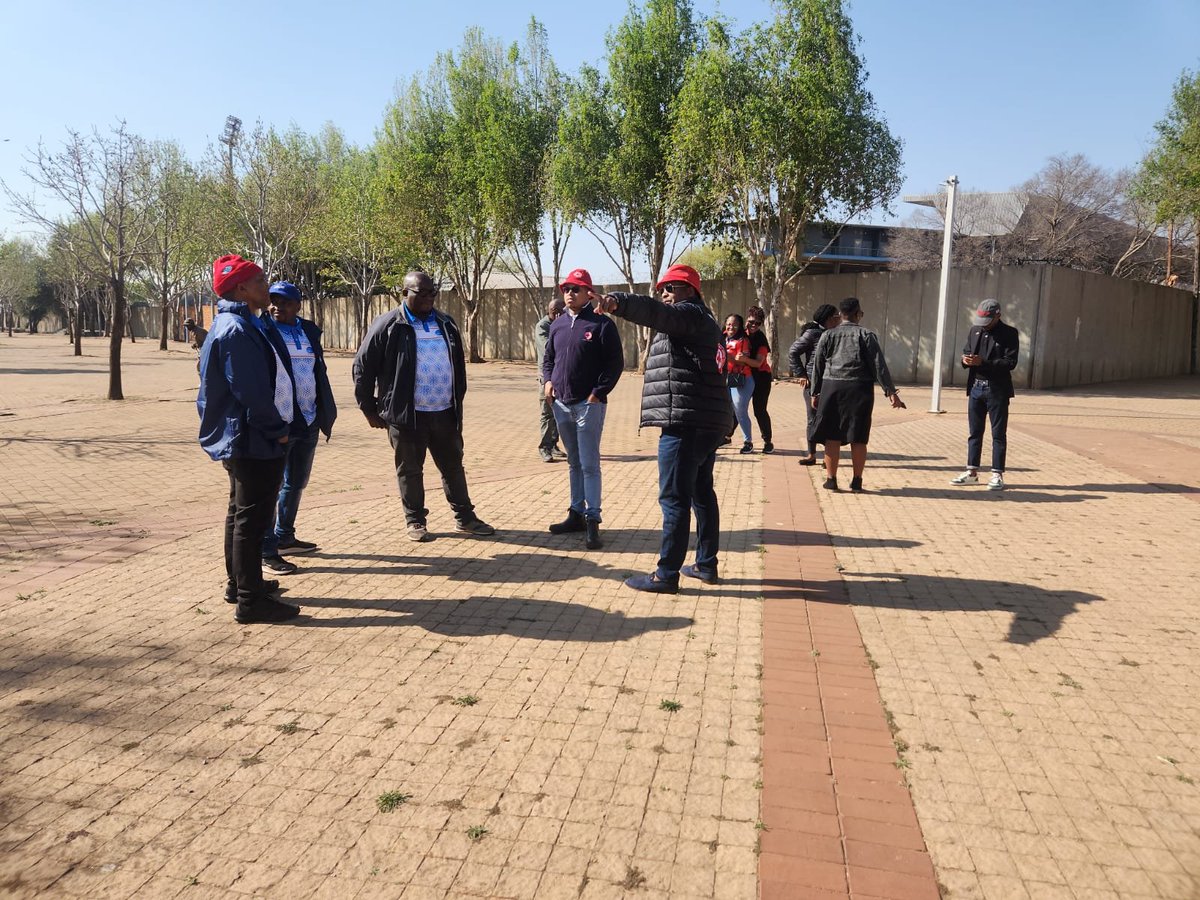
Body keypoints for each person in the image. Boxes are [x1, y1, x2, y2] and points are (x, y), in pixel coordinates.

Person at [593, 264, 734, 592]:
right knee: (701, 493)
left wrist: (618, 302)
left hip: (686, 422)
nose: (665, 294)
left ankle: (666, 574)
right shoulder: (705, 321)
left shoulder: (688, 315)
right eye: (662, 288)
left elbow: (656, 312)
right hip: (705, 420)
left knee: (674, 498)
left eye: (672, 287)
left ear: (691, 291)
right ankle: (705, 564)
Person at [352, 270, 495, 542]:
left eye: (433, 292)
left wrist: (456, 401)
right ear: (404, 293)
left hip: (444, 413)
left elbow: (458, 369)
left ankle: (465, 518)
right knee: (410, 470)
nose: (430, 297)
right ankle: (415, 521)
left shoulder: (445, 323)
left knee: (453, 467)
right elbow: (363, 367)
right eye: (423, 292)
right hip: (407, 416)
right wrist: (368, 408)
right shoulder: (387, 325)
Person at [197, 254, 301, 624]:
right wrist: (280, 431)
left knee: (240, 514)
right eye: (259, 281)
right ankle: (250, 600)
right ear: (241, 288)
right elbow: (251, 393)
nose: (266, 287)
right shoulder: (236, 330)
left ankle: (240, 583)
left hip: (244, 436)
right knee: (252, 521)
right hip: (253, 439)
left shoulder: (239, 323)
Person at [543, 268, 624, 549]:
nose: (568, 293)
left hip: (588, 405)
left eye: (575, 289)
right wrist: (548, 381)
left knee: (589, 465)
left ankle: (593, 520)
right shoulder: (558, 324)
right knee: (573, 462)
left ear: (589, 293)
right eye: (566, 288)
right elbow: (548, 358)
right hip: (561, 404)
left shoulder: (601, 324)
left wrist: (597, 394)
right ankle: (575, 513)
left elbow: (615, 364)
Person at [260, 281, 337, 575]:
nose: (278, 306)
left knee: (296, 482)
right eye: (274, 300)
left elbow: (318, 371)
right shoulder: (263, 330)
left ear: (297, 305)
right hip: (281, 421)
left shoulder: (308, 331)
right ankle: (267, 550)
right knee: (271, 486)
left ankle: (285, 536)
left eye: (285, 302)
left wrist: (322, 412)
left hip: (309, 418)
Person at [809, 297, 905, 493]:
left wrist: (814, 392)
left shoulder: (828, 335)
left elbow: (818, 365)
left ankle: (831, 479)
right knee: (858, 436)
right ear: (857, 314)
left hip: (832, 387)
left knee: (831, 436)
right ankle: (857, 480)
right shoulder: (867, 335)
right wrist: (890, 392)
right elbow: (879, 365)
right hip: (859, 389)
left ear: (841, 315)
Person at [950, 299, 1019, 491]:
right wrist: (966, 360)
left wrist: (984, 362)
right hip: (976, 388)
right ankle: (972, 471)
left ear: (998, 315)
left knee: (998, 433)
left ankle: (997, 473)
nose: (984, 325)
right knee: (975, 432)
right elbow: (966, 352)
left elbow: (1010, 362)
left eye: (988, 320)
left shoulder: (1009, 334)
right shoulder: (975, 330)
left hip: (997, 389)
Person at [788, 304, 841, 465]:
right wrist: (801, 374)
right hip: (813, 382)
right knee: (813, 418)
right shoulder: (812, 333)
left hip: (832, 381)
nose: (839, 318)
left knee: (830, 419)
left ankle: (828, 457)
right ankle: (811, 455)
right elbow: (793, 352)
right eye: (836, 315)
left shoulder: (836, 333)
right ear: (829, 318)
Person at [534, 297, 568, 463]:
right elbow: (550, 347)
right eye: (562, 312)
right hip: (546, 378)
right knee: (547, 414)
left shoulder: (563, 324)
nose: (564, 314)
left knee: (559, 413)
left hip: (561, 376)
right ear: (554, 313)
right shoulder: (543, 326)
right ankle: (544, 447)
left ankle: (553, 444)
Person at [722, 314, 756, 454]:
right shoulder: (721, 338)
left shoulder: (743, 341)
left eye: (735, 324)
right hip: (726, 379)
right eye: (729, 324)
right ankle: (725, 438)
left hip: (742, 380)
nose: (731, 327)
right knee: (726, 411)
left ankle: (748, 442)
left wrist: (730, 358)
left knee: (740, 411)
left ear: (740, 326)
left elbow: (743, 361)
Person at [744, 305, 774, 453]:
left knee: (759, 410)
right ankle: (727, 435)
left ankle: (768, 441)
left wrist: (742, 359)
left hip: (761, 377)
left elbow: (758, 362)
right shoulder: (740, 333)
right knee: (737, 407)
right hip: (743, 376)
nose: (753, 325)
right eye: (751, 322)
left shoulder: (761, 339)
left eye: (757, 323)